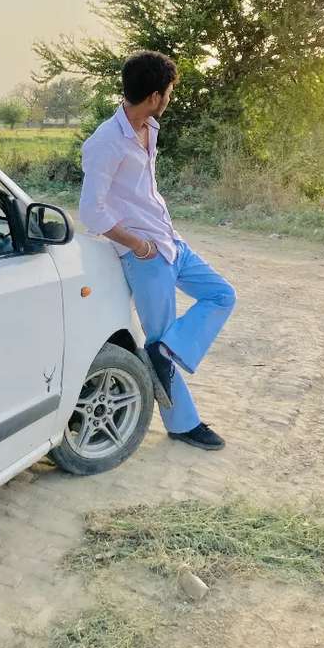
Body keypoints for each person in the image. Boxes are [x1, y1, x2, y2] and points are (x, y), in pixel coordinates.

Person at [79, 50, 237, 451]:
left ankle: (166, 352)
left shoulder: (150, 126)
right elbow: (90, 211)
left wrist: (161, 237)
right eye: (167, 93)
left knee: (222, 295)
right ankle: (183, 423)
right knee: (161, 335)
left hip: (171, 242)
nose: (169, 99)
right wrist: (137, 245)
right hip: (144, 256)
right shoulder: (105, 143)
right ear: (153, 95)